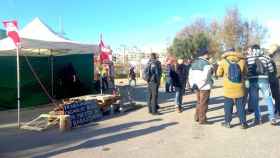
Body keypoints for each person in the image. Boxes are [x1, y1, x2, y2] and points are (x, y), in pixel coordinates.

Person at [217, 49, 248, 129]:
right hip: (239, 87)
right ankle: (243, 123)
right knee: (240, 106)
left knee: (228, 106)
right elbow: (245, 73)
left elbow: (219, 74)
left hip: (228, 87)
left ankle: (227, 123)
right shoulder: (242, 61)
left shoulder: (223, 61)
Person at [246, 44, 277, 125]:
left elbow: (246, 70)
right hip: (264, 81)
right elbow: (271, 69)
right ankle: (272, 117)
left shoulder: (248, 58)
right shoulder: (266, 57)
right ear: (260, 49)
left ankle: (258, 119)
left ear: (252, 50)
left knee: (255, 101)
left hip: (253, 81)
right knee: (268, 98)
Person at [189, 48, 213, 124]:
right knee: (204, 103)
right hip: (204, 86)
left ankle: (197, 117)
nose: (209, 55)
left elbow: (190, 76)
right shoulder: (206, 64)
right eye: (208, 54)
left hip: (196, 86)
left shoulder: (194, 63)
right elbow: (205, 77)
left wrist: (193, 84)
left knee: (199, 102)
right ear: (205, 54)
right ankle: (202, 120)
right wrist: (201, 85)